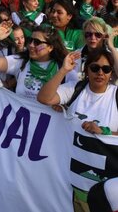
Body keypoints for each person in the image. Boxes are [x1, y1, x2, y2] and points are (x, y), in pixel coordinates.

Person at [37, 48, 118, 211]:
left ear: (111, 73)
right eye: (95, 68)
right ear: (86, 70)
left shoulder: (116, 95)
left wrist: (105, 132)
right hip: (70, 183)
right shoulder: (75, 88)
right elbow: (44, 98)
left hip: (104, 188)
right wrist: (64, 70)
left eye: (106, 69)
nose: (100, 73)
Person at [0, 22, 73, 99]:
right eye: (30, 40)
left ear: (50, 47)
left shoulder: (63, 68)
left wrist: (62, 106)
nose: (31, 45)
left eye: (37, 42)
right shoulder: (22, 61)